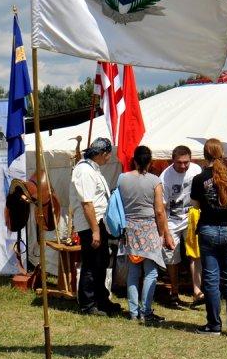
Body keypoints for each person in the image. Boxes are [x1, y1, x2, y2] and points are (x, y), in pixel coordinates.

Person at [190, 138, 227, 337]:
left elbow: (195, 205)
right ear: (222, 154)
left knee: (211, 280)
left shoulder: (199, 179)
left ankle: (214, 325)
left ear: (205, 155)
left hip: (208, 230)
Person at [118, 145, 174, 324]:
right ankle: (146, 311)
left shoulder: (122, 178)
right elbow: (159, 211)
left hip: (129, 228)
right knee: (151, 272)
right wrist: (162, 233)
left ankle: (133, 312)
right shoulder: (155, 181)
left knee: (133, 271)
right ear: (150, 162)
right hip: (149, 228)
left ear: (134, 160)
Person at [70, 137, 121, 316]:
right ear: (101, 153)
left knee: (101, 262)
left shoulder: (92, 169)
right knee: (91, 264)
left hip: (98, 223)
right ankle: (88, 304)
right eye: (108, 154)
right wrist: (95, 231)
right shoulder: (84, 170)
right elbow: (87, 203)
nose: (109, 158)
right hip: (90, 225)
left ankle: (101, 300)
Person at [160, 145, 203, 306]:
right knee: (172, 257)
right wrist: (166, 232)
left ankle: (197, 291)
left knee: (194, 254)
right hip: (172, 219)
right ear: (172, 161)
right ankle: (174, 291)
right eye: (179, 163)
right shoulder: (165, 177)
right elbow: (162, 207)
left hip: (191, 216)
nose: (183, 166)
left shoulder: (196, 170)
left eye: (186, 162)